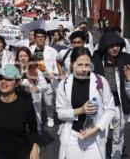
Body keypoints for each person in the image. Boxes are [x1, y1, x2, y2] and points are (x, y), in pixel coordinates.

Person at [56, 47, 115, 159]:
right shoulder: (63, 85)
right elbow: (60, 113)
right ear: (72, 64)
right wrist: (80, 110)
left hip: (94, 136)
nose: (84, 69)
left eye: (87, 65)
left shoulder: (101, 81)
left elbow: (110, 109)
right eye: (79, 65)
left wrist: (95, 129)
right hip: (73, 135)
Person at [0, 64, 39, 159]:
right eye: (0, 78)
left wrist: (35, 148)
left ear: (17, 83)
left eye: (8, 79)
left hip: (21, 154)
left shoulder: (26, 103)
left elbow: (33, 129)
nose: (3, 82)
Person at [92, 31, 130, 159]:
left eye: (118, 45)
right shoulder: (96, 60)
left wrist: (128, 79)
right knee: (100, 132)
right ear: (105, 46)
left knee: (119, 133)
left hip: (119, 103)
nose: (115, 48)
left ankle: (116, 155)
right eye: (112, 45)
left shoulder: (126, 60)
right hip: (102, 104)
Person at [15, 47, 48, 134]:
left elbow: (45, 85)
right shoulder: (14, 70)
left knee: (35, 123)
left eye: (25, 56)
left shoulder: (36, 69)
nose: (23, 58)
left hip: (33, 101)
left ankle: (36, 141)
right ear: (17, 58)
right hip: (17, 101)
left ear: (29, 57)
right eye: (21, 56)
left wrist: (37, 88)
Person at [29, 29, 58, 127]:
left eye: (42, 37)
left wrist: (54, 73)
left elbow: (57, 65)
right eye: (38, 37)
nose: (40, 39)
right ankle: (38, 122)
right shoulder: (30, 50)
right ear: (35, 38)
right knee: (36, 102)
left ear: (45, 38)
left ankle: (50, 117)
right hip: (35, 80)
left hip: (48, 80)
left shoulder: (52, 50)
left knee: (49, 102)